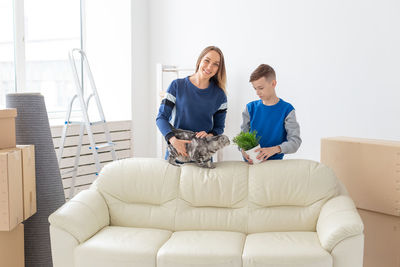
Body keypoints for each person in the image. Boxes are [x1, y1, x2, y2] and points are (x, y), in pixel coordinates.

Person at [156, 46, 227, 159]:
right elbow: (161, 118)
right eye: (207, 60)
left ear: (219, 69)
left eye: (215, 64)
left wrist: (210, 135)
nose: (209, 67)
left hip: (202, 156)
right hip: (177, 153)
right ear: (199, 61)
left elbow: (219, 127)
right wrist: (173, 141)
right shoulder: (177, 86)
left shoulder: (220, 96)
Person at [240, 64, 301, 163]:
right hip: (251, 164)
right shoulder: (250, 108)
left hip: (274, 165)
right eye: (255, 88)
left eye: (261, 88)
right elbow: (242, 137)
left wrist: (275, 149)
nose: (257, 92)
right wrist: (242, 150)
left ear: (273, 83)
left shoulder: (287, 110)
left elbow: (295, 142)